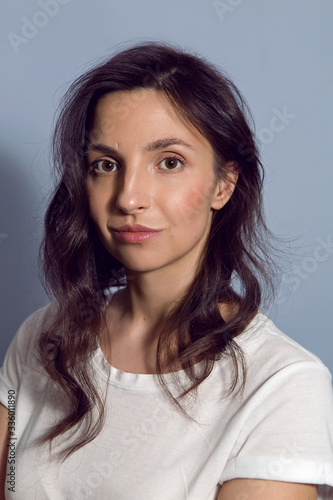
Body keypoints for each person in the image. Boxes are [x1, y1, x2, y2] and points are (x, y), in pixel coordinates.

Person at [0, 41, 332, 500]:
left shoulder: (282, 384)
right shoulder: (39, 337)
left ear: (223, 183)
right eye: (106, 164)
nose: (128, 197)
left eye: (169, 162)